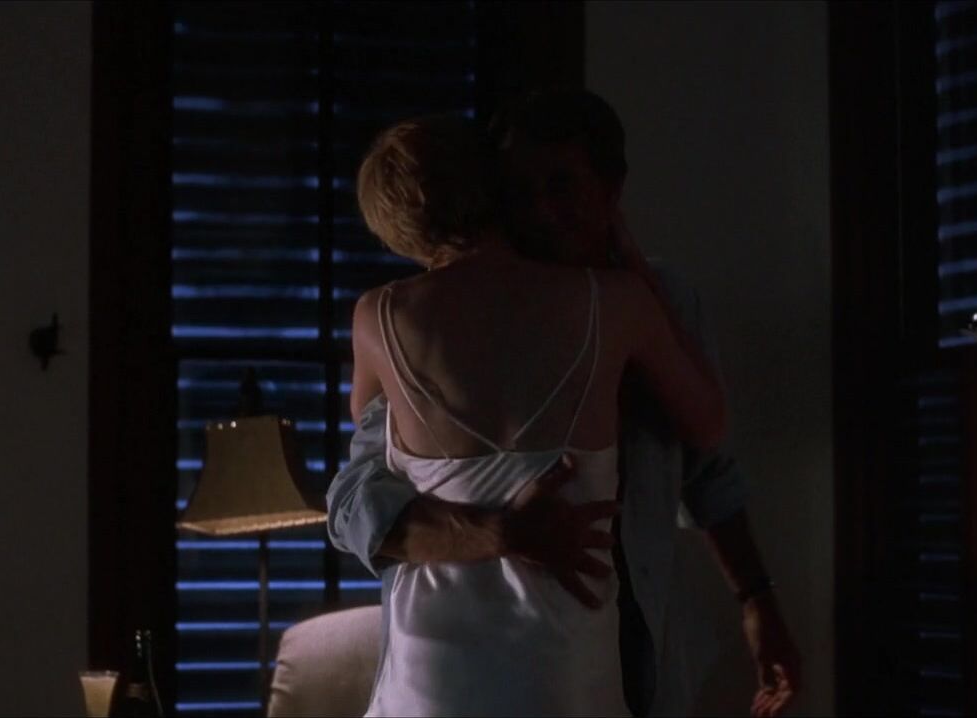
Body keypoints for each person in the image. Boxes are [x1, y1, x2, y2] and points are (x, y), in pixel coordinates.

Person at [329, 89, 800, 717]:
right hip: (466, 651)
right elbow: (355, 498)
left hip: (624, 639)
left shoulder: (651, 299)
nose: (540, 210)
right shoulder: (435, 319)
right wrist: (499, 533)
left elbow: (707, 464)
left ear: (611, 190)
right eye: (518, 191)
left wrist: (757, 598)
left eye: (561, 185)